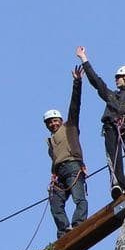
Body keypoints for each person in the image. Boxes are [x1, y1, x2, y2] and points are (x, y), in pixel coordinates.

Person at [77, 45, 125, 198]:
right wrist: (84, 59)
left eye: (118, 77)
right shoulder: (112, 96)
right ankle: (117, 184)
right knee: (113, 157)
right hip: (111, 128)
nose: (115, 80)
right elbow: (97, 83)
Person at [44, 64, 88, 234]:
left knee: (79, 198)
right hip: (59, 173)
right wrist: (53, 175)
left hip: (72, 167)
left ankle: (78, 224)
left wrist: (77, 83)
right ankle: (64, 230)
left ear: (60, 120)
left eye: (55, 120)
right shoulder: (50, 141)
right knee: (55, 202)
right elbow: (54, 160)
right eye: (50, 122)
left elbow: (75, 105)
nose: (53, 123)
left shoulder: (70, 126)